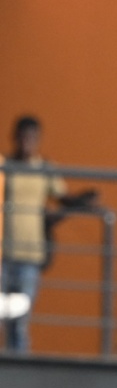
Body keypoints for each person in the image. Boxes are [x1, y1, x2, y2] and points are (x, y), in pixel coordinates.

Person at [0, 116, 96, 352]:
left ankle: (19, 367)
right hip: (3, 255)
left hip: (30, 257)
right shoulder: (5, 166)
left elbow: (62, 198)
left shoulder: (45, 169)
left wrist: (82, 200)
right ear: (15, 137)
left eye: (32, 137)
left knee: (19, 322)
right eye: (23, 136)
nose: (27, 142)